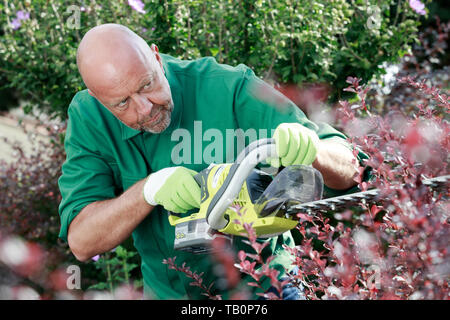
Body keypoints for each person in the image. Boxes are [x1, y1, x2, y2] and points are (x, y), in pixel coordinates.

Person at [58, 23, 367, 299]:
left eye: (147, 85)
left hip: (267, 287)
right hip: (171, 294)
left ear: (156, 57)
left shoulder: (228, 87)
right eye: (123, 103)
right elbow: (83, 242)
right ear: (97, 98)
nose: (144, 108)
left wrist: (314, 149)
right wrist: (148, 191)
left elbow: (354, 169)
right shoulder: (89, 117)